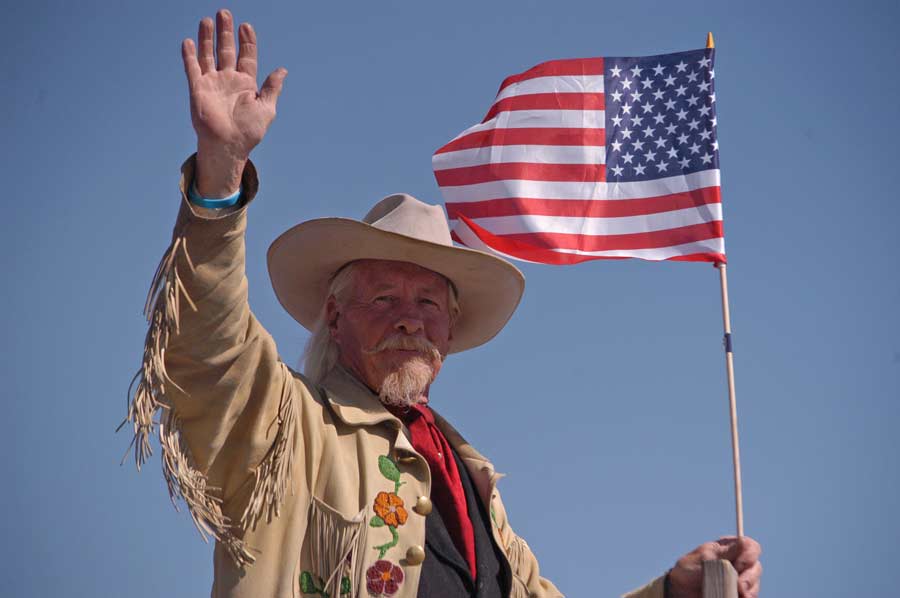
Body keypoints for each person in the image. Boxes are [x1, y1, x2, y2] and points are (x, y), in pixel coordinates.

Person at [123, 9, 762, 598]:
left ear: (449, 331)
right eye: (383, 296)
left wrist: (675, 592)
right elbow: (210, 344)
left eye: (430, 301)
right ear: (336, 317)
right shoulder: (286, 427)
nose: (410, 316)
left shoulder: (473, 485)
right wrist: (220, 173)